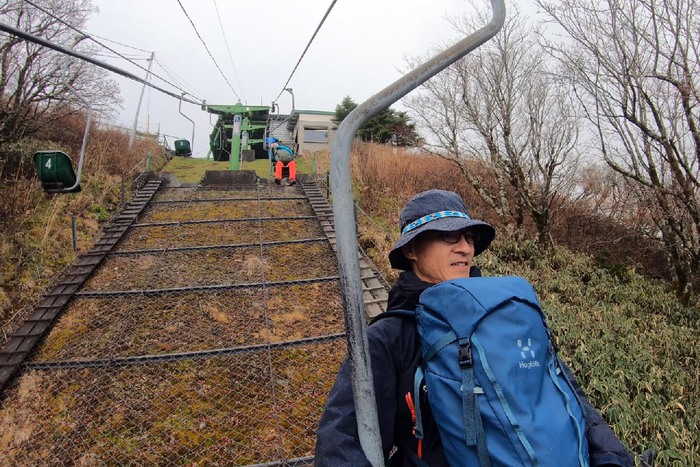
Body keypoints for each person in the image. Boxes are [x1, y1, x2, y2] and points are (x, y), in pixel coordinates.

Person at [315, 189, 634, 466]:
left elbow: (565, 392)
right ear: (411, 250)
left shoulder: (504, 318)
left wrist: (609, 456)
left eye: (469, 237)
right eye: (448, 235)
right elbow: (341, 438)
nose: (465, 248)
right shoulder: (390, 337)